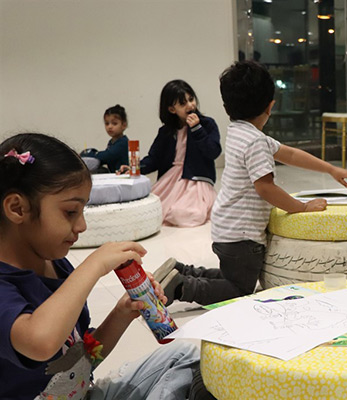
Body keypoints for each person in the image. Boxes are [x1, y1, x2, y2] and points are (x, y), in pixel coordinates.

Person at [0, 133, 202, 399]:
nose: (82, 226)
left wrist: (122, 313)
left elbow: (82, 359)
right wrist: (93, 265)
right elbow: (40, 342)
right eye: (70, 212)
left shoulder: (56, 265)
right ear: (17, 208)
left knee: (184, 355)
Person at [155, 60, 347, 306]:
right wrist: (302, 207)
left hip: (227, 229)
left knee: (230, 277)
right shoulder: (256, 142)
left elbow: (290, 154)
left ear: (227, 107)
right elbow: (266, 188)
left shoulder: (239, 131)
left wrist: (330, 169)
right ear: (271, 106)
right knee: (239, 288)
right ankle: (182, 286)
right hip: (243, 237)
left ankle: (181, 271)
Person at [119, 80, 221, 227]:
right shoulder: (166, 131)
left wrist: (197, 129)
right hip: (171, 180)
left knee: (187, 214)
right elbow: (154, 158)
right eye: (183, 103)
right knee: (150, 209)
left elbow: (213, 151)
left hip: (196, 179)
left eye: (191, 99)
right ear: (172, 109)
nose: (190, 105)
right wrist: (135, 167)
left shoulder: (207, 124)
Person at [80, 104, 129, 173]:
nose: (110, 127)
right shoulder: (111, 142)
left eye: (114, 123)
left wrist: (89, 154)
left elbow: (107, 156)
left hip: (123, 175)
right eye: (107, 123)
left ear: (124, 125)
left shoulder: (123, 142)